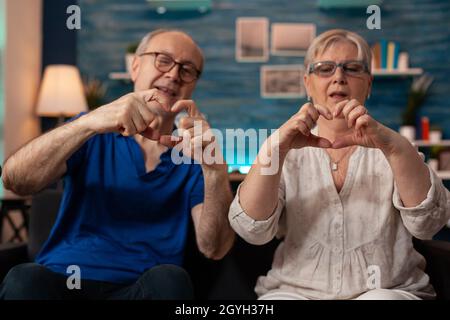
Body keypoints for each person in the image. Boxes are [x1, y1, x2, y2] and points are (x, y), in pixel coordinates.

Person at [0, 29, 235, 300]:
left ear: (193, 84)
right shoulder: (90, 131)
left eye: (187, 69)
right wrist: (88, 122)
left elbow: (214, 248)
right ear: (135, 66)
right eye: (163, 60)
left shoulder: (193, 156)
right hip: (64, 280)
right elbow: (15, 180)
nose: (173, 74)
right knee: (24, 279)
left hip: (140, 289)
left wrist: (216, 171)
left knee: (171, 280)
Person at [228, 29, 450, 300]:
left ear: (368, 84)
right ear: (307, 83)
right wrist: (275, 147)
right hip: (295, 291)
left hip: (386, 289)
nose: (338, 77)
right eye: (324, 68)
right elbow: (252, 231)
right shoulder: (286, 152)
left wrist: (395, 148)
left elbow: (429, 224)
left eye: (352, 68)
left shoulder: (394, 147)